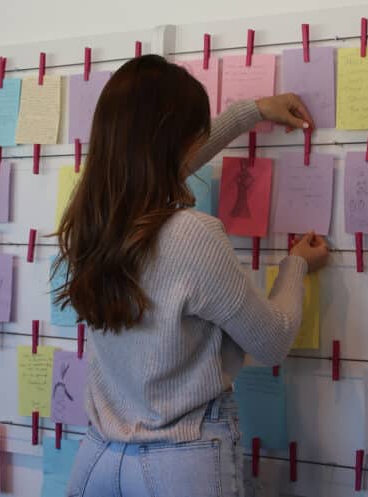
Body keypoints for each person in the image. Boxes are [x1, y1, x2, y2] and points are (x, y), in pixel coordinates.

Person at [55, 55, 330, 497]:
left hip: (98, 460)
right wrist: (295, 266)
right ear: (178, 145)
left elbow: (162, 162)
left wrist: (253, 111)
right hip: (177, 464)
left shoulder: (93, 218)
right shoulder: (191, 235)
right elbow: (272, 340)